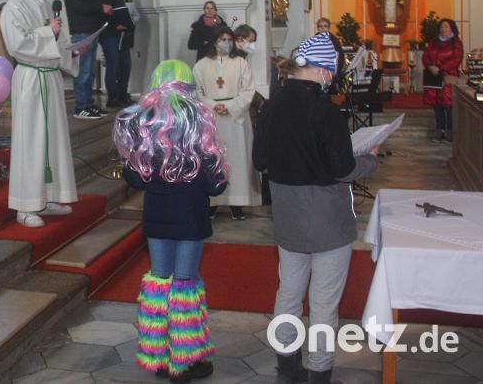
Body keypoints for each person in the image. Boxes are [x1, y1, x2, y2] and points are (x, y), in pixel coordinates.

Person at [253, 33, 380, 384]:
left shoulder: (270, 106)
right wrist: (370, 160)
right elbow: (343, 169)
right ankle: (319, 373)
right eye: (332, 72)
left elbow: (260, 161)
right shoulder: (325, 111)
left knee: (289, 292)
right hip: (327, 219)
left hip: (288, 216)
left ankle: (287, 369)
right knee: (324, 302)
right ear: (324, 71)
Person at [114, 59, 227, 383]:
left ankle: (158, 355)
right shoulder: (196, 118)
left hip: (157, 217)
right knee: (184, 285)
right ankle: (185, 360)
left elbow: (134, 177)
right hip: (190, 218)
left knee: (159, 281)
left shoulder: (146, 120)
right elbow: (214, 182)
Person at [0, 0, 85, 228]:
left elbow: (58, 44)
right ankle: (25, 207)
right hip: (31, 79)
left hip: (49, 78)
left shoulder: (47, 5)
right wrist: (48, 31)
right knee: (31, 141)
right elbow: (18, 44)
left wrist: (73, 51)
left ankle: (47, 198)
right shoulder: (14, 6)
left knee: (52, 140)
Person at [193, 26, 259, 219]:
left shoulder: (241, 63)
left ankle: (236, 203)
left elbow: (248, 91)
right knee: (214, 160)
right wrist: (214, 105)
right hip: (212, 120)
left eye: (230, 40)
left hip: (236, 119)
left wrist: (230, 106)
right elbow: (198, 91)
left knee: (237, 160)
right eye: (223, 39)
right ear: (215, 41)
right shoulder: (201, 65)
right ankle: (213, 201)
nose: (227, 43)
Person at [63, 0, 112, 119]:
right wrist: (100, 7)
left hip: (92, 28)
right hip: (82, 29)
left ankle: (89, 104)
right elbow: (76, 5)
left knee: (89, 71)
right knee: (83, 70)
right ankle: (81, 107)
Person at [95, 0, 135, 108]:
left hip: (123, 34)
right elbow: (100, 14)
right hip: (109, 34)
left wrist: (127, 25)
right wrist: (115, 25)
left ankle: (122, 94)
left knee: (125, 65)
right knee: (113, 65)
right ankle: (112, 97)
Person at [422, 18, 464, 142]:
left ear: (451, 28)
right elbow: (426, 56)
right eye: (441, 27)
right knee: (437, 104)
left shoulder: (456, 42)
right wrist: (430, 66)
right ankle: (440, 129)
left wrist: (440, 68)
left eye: (446, 26)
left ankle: (450, 131)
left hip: (448, 77)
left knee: (449, 105)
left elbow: (457, 59)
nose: (443, 29)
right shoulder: (434, 42)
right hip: (434, 77)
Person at [315, 17, 345, 94]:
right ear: (318, 28)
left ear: (328, 28)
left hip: (331, 74)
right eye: (320, 26)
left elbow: (340, 58)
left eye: (325, 26)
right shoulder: (313, 41)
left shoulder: (334, 41)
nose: (323, 28)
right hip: (317, 73)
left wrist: (335, 72)